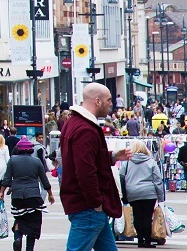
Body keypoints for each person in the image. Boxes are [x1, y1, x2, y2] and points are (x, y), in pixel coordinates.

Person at [59, 82, 131, 251]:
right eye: (109, 100)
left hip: (87, 206)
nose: (111, 104)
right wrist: (96, 202)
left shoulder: (73, 122)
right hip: (88, 206)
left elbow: (84, 160)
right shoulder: (86, 129)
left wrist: (111, 156)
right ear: (97, 101)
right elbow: (84, 170)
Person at [6, 137, 55, 251]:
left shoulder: (12, 160)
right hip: (33, 195)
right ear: (30, 150)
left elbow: (7, 179)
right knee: (33, 222)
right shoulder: (36, 162)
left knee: (19, 218)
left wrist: (2, 192)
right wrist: (50, 194)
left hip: (17, 196)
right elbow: (44, 180)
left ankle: (18, 239)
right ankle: (29, 248)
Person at [120, 139, 165, 249]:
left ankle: (140, 240)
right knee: (147, 217)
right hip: (149, 193)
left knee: (137, 217)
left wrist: (124, 194)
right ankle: (148, 241)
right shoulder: (151, 162)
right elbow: (158, 180)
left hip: (133, 193)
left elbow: (121, 177)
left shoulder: (127, 162)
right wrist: (160, 197)